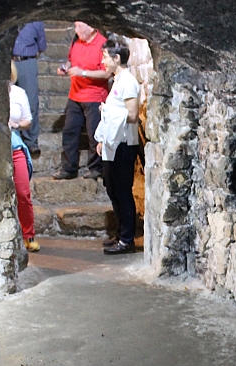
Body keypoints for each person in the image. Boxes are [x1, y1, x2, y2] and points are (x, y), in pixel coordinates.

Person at [94, 39, 140, 254]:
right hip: (113, 144)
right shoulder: (117, 81)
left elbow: (132, 115)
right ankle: (121, 232)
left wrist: (107, 112)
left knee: (122, 191)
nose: (102, 61)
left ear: (116, 58)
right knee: (112, 188)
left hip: (124, 145)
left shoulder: (128, 81)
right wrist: (103, 139)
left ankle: (127, 239)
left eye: (105, 57)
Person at [53, 21, 112, 180]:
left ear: (92, 28)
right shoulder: (76, 41)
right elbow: (70, 60)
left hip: (94, 96)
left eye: (79, 27)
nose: (76, 30)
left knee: (95, 134)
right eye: (76, 26)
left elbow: (106, 74)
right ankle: (69, 168)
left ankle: (96, 168)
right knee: (70, 131)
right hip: (75, 95)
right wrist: (65, 68)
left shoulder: (102, 44)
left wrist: (83, 73)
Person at [9, 62, 39, 252]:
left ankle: (28, 234)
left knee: (23, 192)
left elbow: (28, 120)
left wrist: (16, 124)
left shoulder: (19, 93)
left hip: (15, 146)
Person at [12, 21, 47, 159]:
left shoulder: (35, 22)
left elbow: (41, 45)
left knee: (31, 101)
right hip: (10, 61)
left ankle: (31, 140)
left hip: (27, 62)